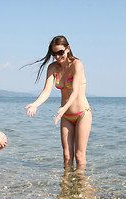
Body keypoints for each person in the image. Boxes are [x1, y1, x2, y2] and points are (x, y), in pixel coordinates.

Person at [25, 35, 92, 168]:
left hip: (82, 114)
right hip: (66, 116)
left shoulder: (76, 64)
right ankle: (66, 187)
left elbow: (75, 91)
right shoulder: (53, 68)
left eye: (60, 52)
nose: (57, 56)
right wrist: (35, 104)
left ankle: (81, 186)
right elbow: (46, 91)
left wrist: (64, 108)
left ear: (68, 49)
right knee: (67, 156)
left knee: (79, 156)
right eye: (54, 54)